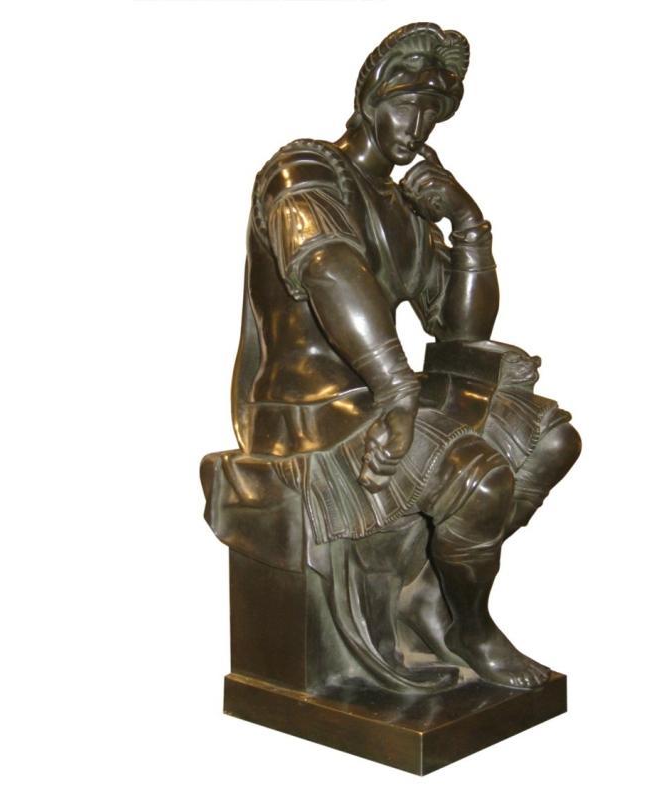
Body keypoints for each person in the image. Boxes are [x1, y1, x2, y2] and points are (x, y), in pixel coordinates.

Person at [202, 22, 580, 691]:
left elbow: (461, 331)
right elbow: (329, 268)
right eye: (408, 104)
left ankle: (437, 595)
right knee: (480, 479)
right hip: (303, 410)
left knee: (552, 440)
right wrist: (398, 390)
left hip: (376, 394)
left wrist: (468, 225)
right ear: (371, 97)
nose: (419, 125)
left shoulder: (405, 212)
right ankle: (473, 628)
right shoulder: (305, 171)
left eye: (434, 111)